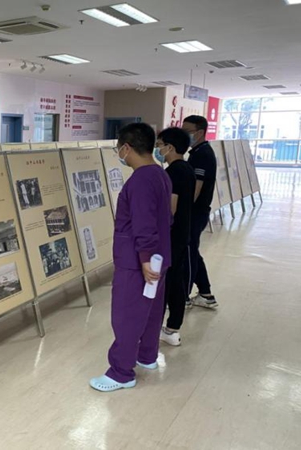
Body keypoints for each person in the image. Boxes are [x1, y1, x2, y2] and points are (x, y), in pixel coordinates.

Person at [90, 123, 172, 392]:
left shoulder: (139, 180)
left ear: (126, 147)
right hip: (158, 257)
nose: (119, 154)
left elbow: (144, 223)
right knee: (150, 311)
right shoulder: (159, 174)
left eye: (118, 149)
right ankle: (146, 356)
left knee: (127, 315)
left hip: (137, 262)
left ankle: (120, 372)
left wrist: (145, 259)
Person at [155, 128, 196, 346]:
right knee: (176, 281)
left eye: (159, 144)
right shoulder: (186, 168)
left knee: (167, 282)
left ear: (169, 147)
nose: (157, 149)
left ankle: (162, 328)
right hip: (182, 234)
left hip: (172, 236)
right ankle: (172, 328)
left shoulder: (174, 172)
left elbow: (170, 208)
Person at [182, 115, 218, 308]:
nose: (184, 134)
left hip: (195, 213)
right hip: (196, 212)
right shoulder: (197, 152)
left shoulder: (202, 154)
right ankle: (205, 293)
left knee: (188, 253)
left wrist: (180, 213)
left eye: (187, 131)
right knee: (192, 251)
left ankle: (184, 296)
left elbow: (195, 189)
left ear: (200, 132)